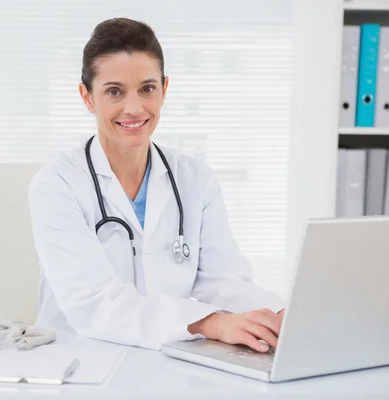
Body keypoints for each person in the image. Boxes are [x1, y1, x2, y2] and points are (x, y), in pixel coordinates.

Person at [28, 17, 286, 352]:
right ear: (88, 97)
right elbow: (95, 304)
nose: (133, 108)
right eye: (114, 91)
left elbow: (223, 281)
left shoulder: (195, 178)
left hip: (168, 359)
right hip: (77, 361)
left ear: (164, 89)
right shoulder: (57, 184)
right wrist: (210, 323)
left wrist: (281, 314)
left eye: (147, 89)